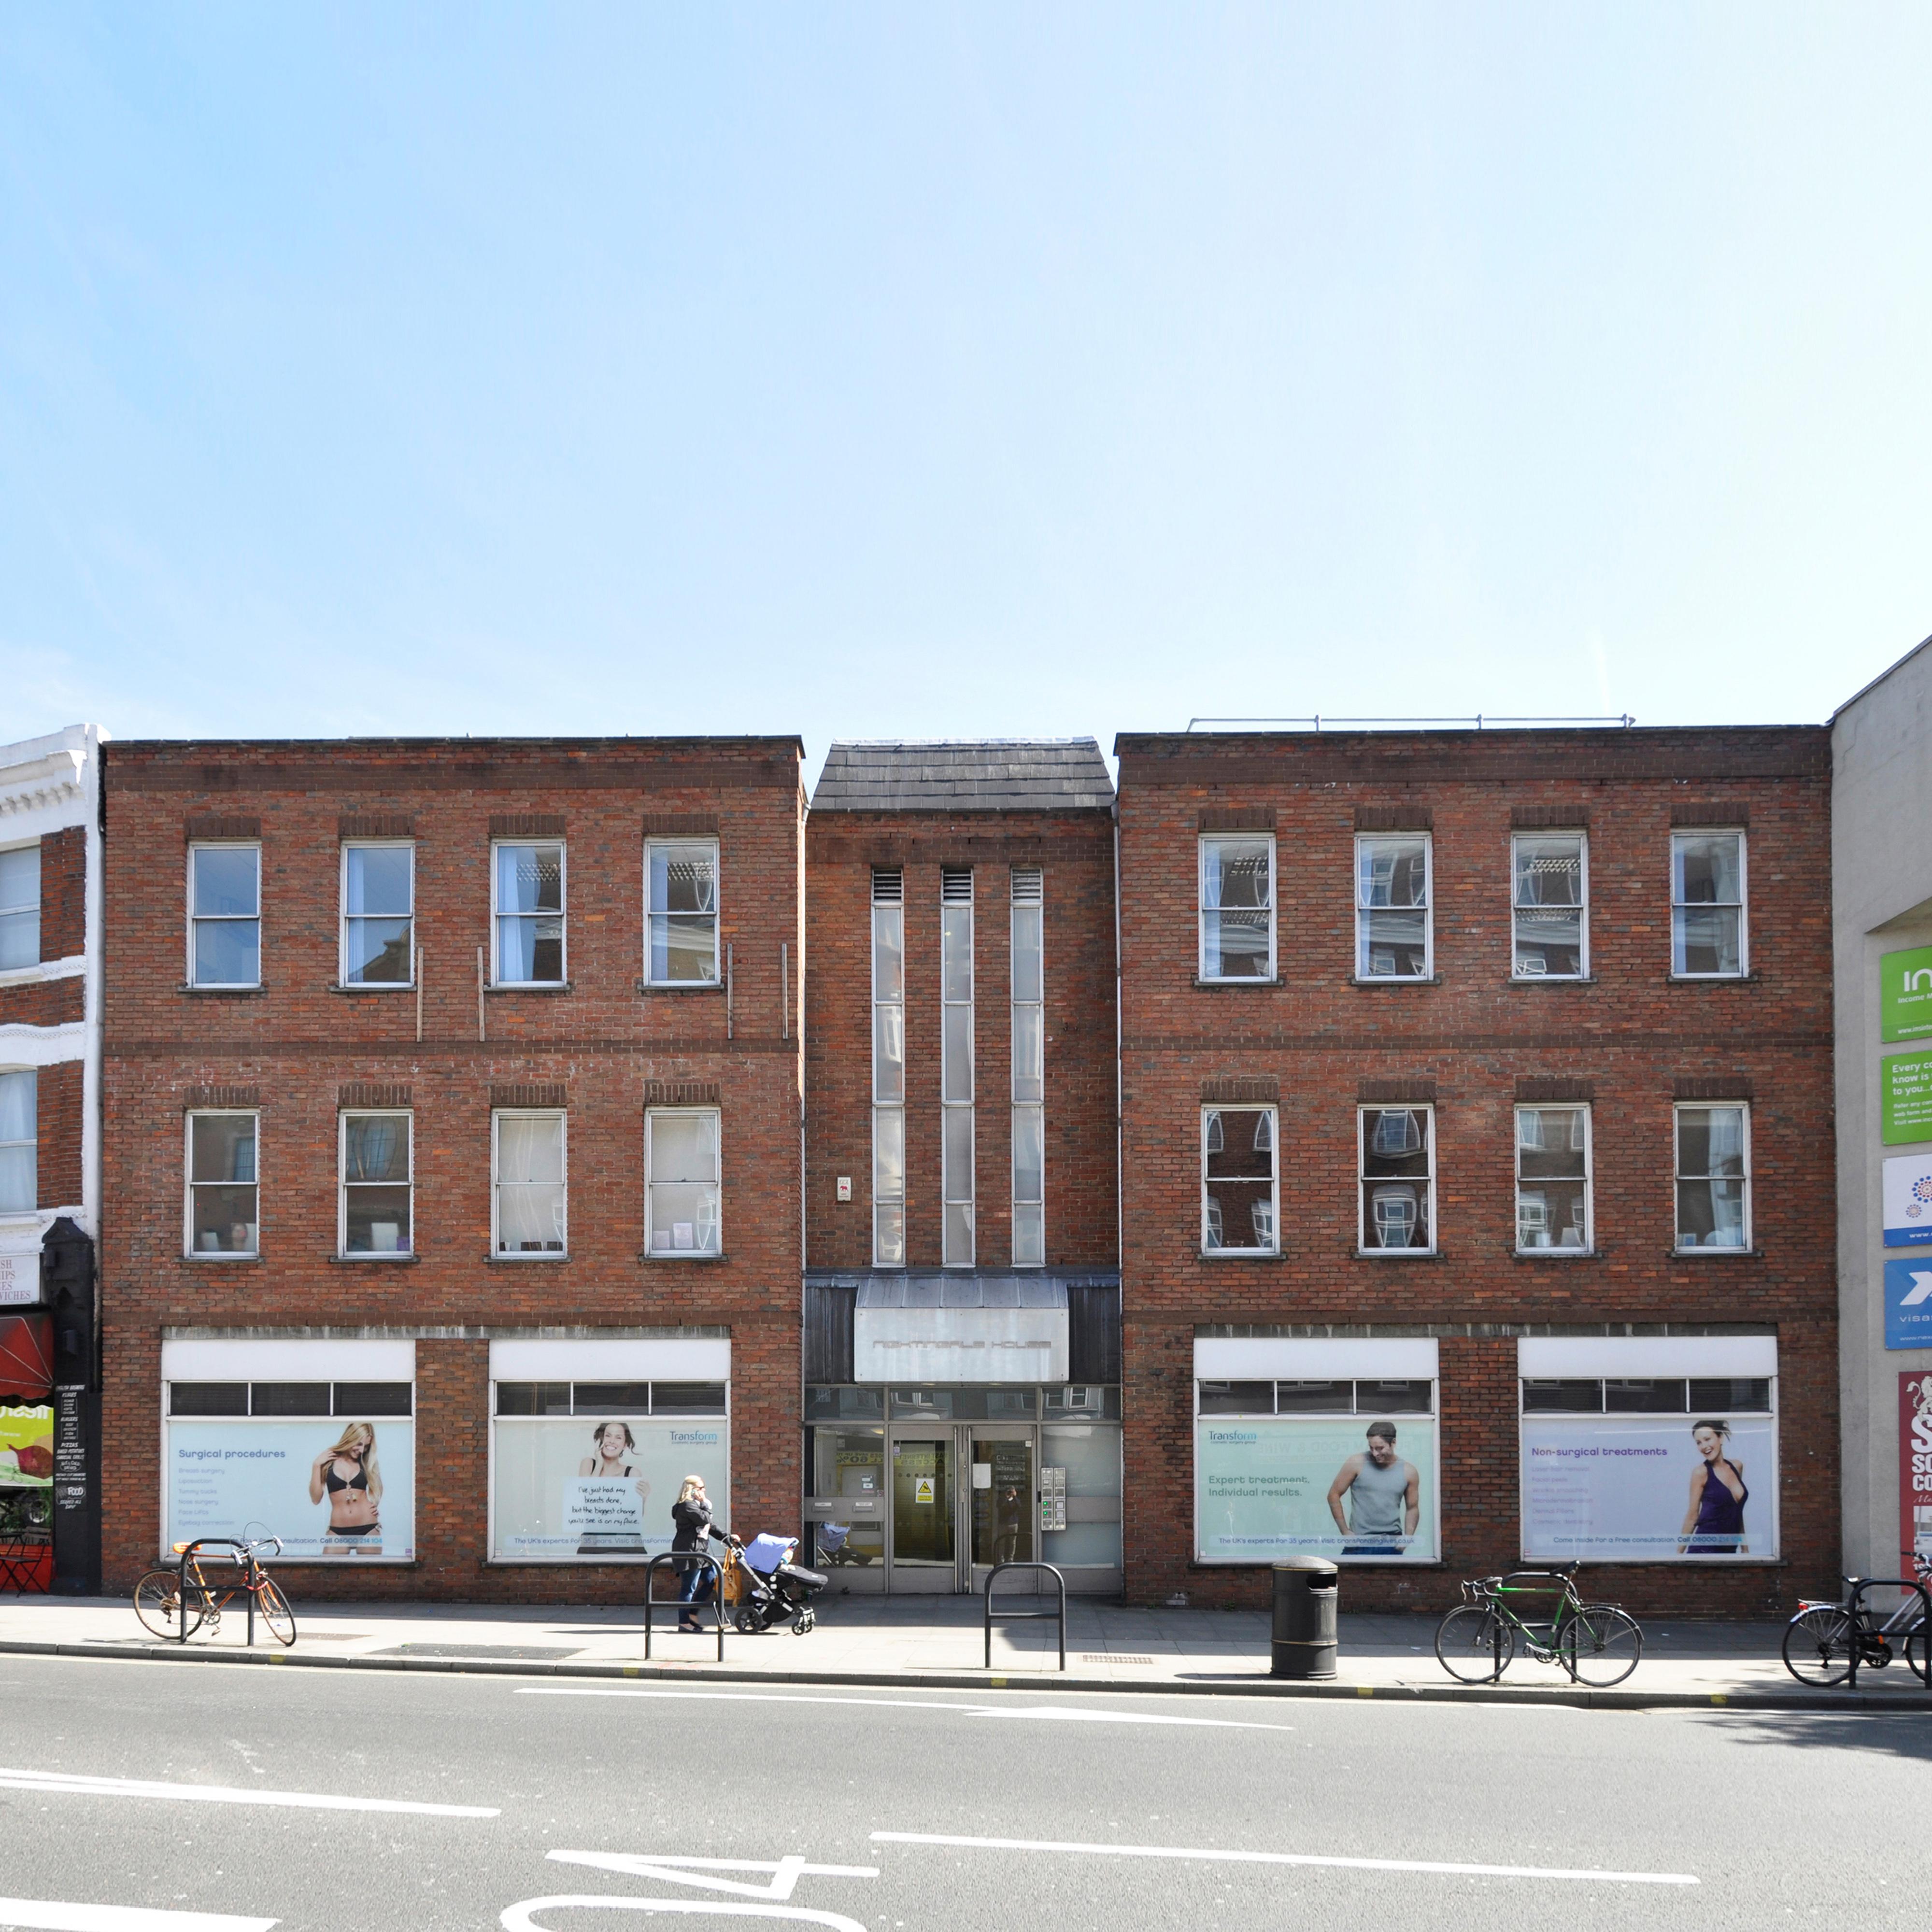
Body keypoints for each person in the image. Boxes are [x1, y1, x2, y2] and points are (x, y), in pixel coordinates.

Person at [1325, 1421, 1420, 1556]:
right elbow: (1333, 1495)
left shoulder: (1409, 1471)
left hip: (1391, 1544)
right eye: (1371, 1448)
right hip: (1359, 1543)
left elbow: (1413, 1508)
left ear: (1393, 1443)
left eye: (1380, 1448)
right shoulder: (1356, 1463)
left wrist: (1409, 1537)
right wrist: (1345, 1531)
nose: (1375, 1453)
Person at [575, 1421, 650, 1554]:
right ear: (601, 1439)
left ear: (625, 1445)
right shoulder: (589, 1464)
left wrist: (643, 1500)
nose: (612, 1441)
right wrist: (599, 1464)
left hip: (626, 1541)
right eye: (608, 1436)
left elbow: (635, 1517)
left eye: (619, 1437)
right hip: (594, 1540)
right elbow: (587, 1496)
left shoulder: (632, 1473)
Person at [308, 1422, 382, 1556]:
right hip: (338, 1530)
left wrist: (375, 1504)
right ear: (350, 1438)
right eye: (359, 1444)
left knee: (370, 1576)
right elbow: (315, 1499)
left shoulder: (366, 1462)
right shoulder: (328, 1462)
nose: (361, 1450)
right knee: (329, 1574)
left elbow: (378, 1488)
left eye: (366, 1447)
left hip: (368, 1528)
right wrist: (316, 1465)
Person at [671, 1473, 730, 1632]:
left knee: (712, 1580)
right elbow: (705, 1520)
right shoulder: (687, 1506)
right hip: (689, 1552)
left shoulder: (696, 1506)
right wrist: (704, 1503)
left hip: (700, 1553)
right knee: (688, 1588)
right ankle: (684, 1623)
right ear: (692, 1490)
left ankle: (692, 1614)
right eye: (701, 1488)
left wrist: (727, 1537)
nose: (704, 1491)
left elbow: (710, 1526)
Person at [1679, 1419, 1748, 1554]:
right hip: (1704, 1549)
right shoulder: (1701, 1472)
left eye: (1707, 1439)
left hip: (1730, 1548)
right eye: (1699, 1443)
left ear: (1721, 1438)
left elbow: (1737, 1512)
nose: (1704, 1446)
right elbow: (1693, 1515)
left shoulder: (1737, 1466)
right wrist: (1678, 1555)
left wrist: (1745, 1549)